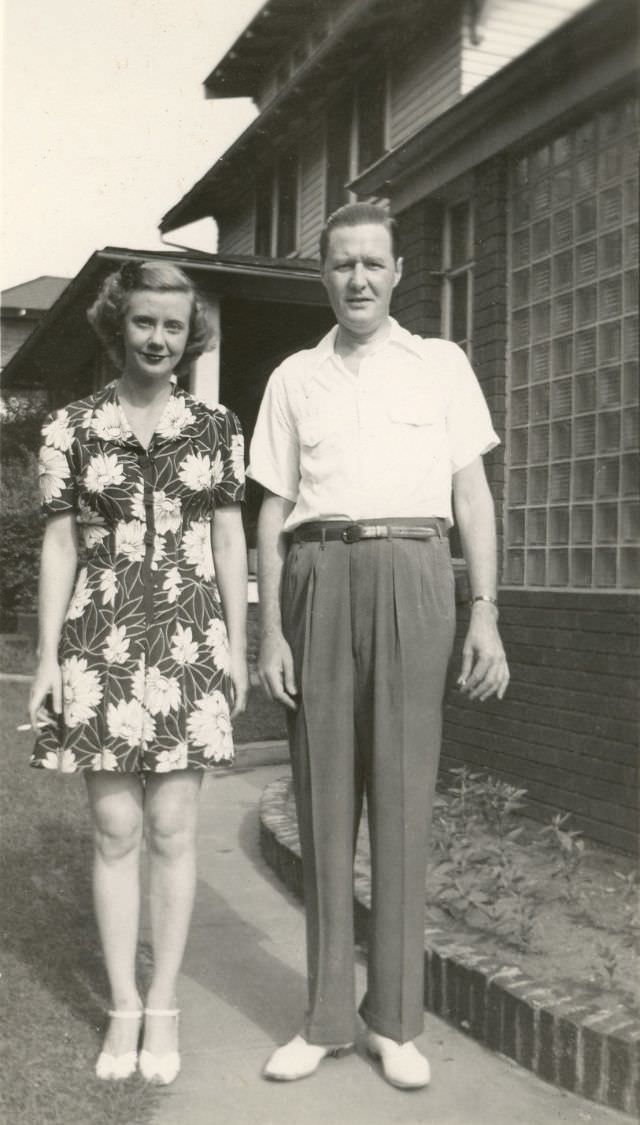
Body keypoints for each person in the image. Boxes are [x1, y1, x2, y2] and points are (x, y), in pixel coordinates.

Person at [249, 202, 509, 1089]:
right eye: (340, 265)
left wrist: (485, 609)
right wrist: (271, 628)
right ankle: (323, 1016)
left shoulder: (441, 365)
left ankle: (395, 1020)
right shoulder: (293, 377)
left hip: (416, 571)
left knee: (402, 795)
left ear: (399, 272)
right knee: (324, 801)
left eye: (372, 263)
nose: (357, 279)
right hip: (318, 578)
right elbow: (272, 510)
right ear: (321, 275)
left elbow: (471, 493)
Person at [29, 260, 248, 1085]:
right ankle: (122, 1004)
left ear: (191, 335)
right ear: (118, 324)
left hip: (190, 637)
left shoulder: (216, 426)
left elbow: (228, 540)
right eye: (144, 322)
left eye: (174, 326)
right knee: (117, 829)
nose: (159, 339)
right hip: (103, 635)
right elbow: (59, 544)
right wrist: (47, 656)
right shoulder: (71, 427)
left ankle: (164, 1004)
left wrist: (237, 646)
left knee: (172, 830)